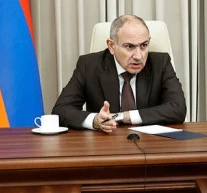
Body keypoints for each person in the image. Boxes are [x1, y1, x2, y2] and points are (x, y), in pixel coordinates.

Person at [53, 15, 186, 131]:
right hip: (106, 144)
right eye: (129, 47)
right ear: (111, 46)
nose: (139, 56)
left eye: (144, 45)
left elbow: (178, 108)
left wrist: (122, 116)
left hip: (151, 143)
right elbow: (61, 110)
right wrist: (95, 120)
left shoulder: (160, 63)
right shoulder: (89, 65)